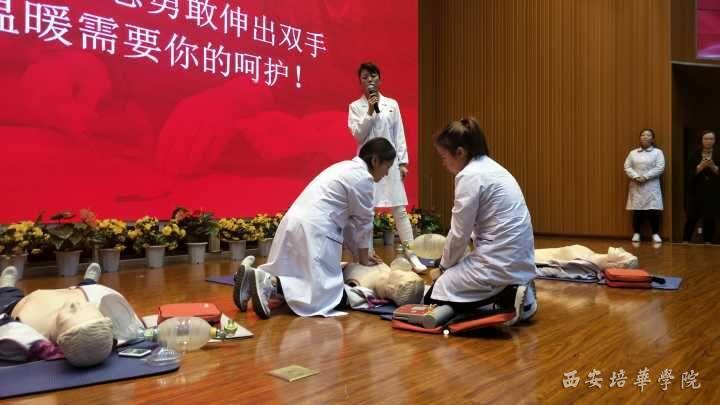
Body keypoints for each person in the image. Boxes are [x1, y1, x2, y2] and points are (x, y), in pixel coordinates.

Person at [233, 138, 397, 319]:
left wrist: (360, 254)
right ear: (375, 161)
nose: (386, 174)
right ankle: (268, 283)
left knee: (292, 273)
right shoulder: (363, 179)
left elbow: (351, 224)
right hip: (317, 230)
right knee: (320, 293)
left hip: (294, 222)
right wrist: (364, 259)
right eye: (387, 167)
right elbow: (363, 222)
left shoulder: (344, 167)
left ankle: (251, 280)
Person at [426, 117, 537, 322]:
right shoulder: (494, 168)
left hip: (499, 264)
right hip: (520, 262)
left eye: (444, 157)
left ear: (460, 152)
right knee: (457, 270)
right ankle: (520, 292)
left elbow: (459, 234)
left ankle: (507, 294)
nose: (443, 163)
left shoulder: (469, 175)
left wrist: (443, 269)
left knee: (435, 293)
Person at [347, 62, 426, 273]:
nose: (369, 80)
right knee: (367, 212)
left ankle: (412, 254)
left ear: (379, 79)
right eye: (364, 77)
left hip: (389, 163)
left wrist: (403, 162)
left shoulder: (392, 104)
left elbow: (399, 133)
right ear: (360, 82)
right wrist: (370, 111)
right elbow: (359, 135)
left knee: (399, 210)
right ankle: (369, 255)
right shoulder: (355, 107)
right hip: (368, 165)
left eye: (372, 76)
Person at [0, 264, 142, 367]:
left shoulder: (29, 326)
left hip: (17, 303)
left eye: (72, 312)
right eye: (87, 308)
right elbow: (135, 328)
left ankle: (6, 287)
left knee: (7, 298)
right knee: (88, 287)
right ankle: (89, 281)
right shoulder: (111, 317)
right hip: (81, 290)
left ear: (59, 342)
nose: (75, 305)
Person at [623, 128, 666, 243]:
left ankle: (655, 234)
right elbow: (627, 166)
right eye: (643, 135)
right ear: (640, 138)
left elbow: (660, 167)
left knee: (653, 210)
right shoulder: (633, 153)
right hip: (636, 184)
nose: (645, 137)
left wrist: (645, 177)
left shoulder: (658, 152)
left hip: (651, 185)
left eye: (648, 135)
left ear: (653, 139)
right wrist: (636, 177)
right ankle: (636, 233)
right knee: (637, 211)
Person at [683, 130, 720, 243]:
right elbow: (688, 174)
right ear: (701, 140)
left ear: (715, 141)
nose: (709, 141)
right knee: (691, 217)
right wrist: (700, 167)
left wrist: (713, 167)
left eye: (711, 139)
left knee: (710, 218)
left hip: (713, 191)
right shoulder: (694, 154)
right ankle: (685, 241)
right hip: (695, 191)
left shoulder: (718, 153)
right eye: (706, 139)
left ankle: (708, 242)